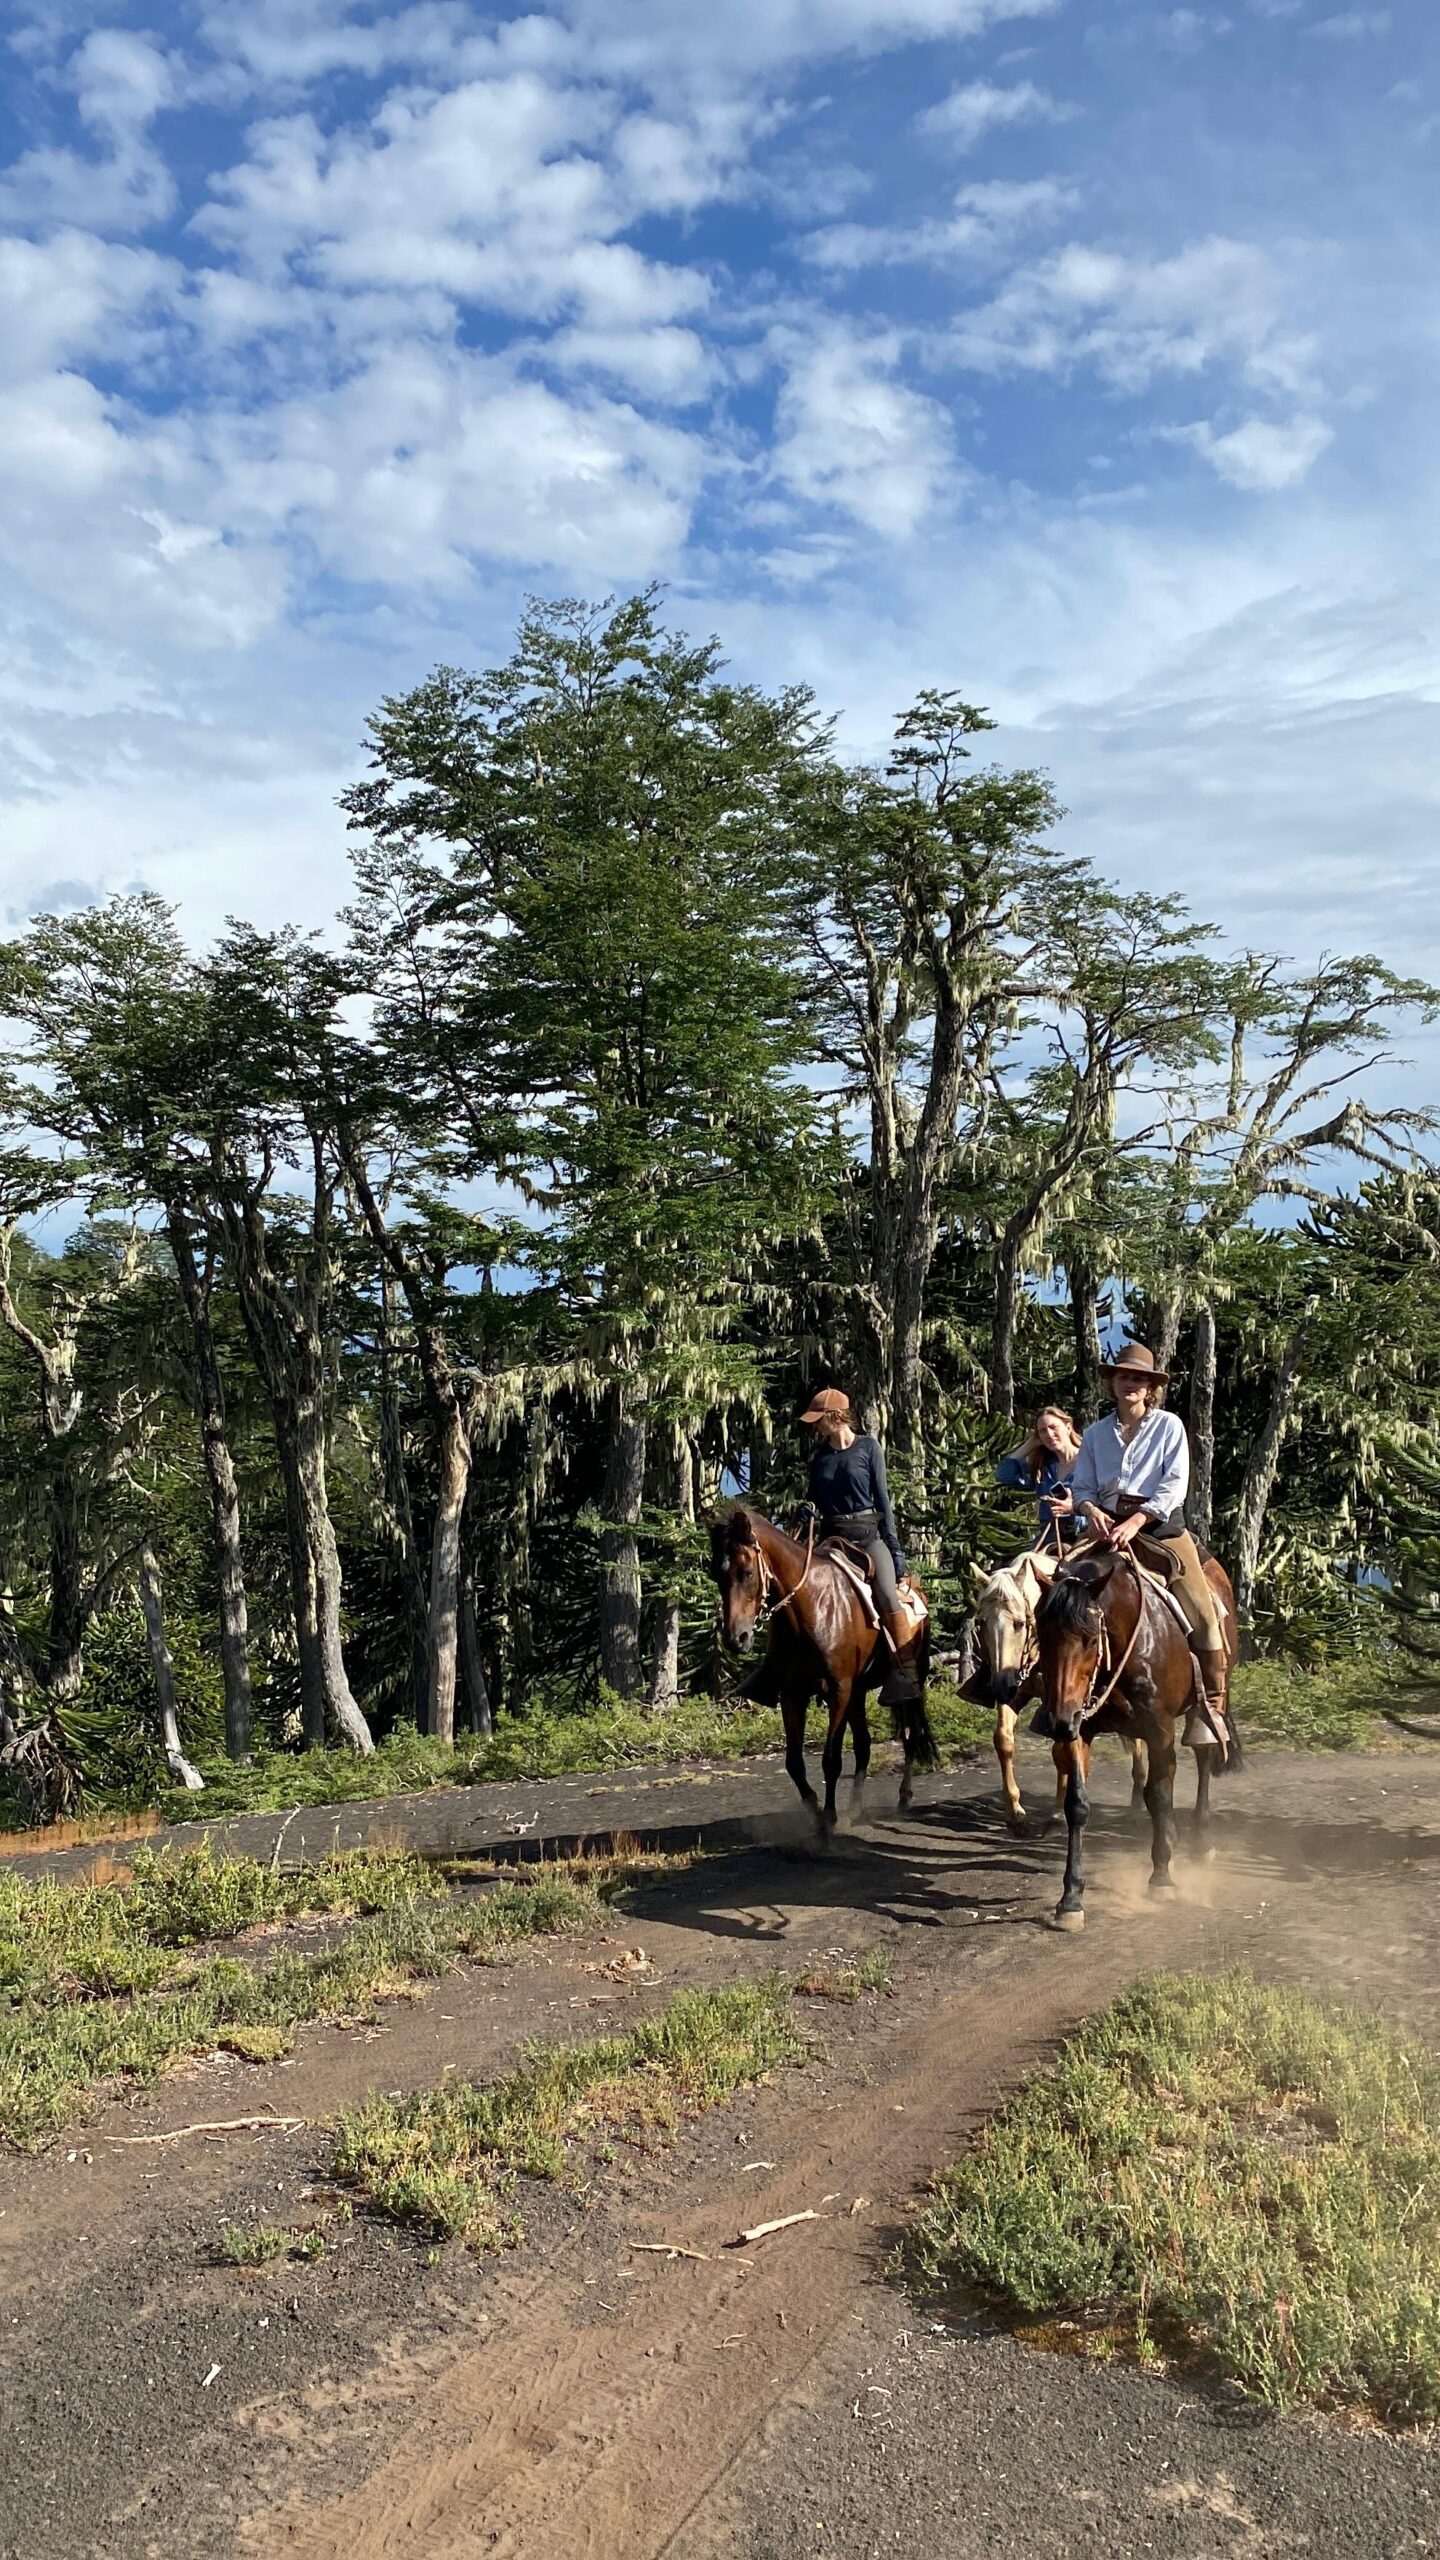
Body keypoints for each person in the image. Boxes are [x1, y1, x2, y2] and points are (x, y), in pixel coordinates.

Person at [1047, 1342, 1229, 1718]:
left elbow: (1174, 1485)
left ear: (1150, 1388)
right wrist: (1090, 1509)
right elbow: (1083, 1486)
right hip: (1105, 1527)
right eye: (1124, 1376)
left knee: (1204, 1612)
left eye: (1139, 1379)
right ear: (1113, 1383)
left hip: (1160, 1530)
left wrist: (1137, 1520)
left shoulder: (1169, 1426)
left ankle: (1212, 1705)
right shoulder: (1096, 1434)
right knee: (1055, 1592)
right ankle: (1044, 1689)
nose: (1130, 1384)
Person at [799, 1387, 920, 1703]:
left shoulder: (868, 1448)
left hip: (868, 1535)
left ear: (834, 1416)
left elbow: (883, 1500)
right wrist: (807, 1507)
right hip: (832, 1538)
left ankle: (905, 1672)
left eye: (819, 1419)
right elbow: (813, 1495)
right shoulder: (818, 1456)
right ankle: (789, 1670)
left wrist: (895, 1552)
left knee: (886, 1593)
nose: (815, 1426)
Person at [995, 1406, 1082, 1541]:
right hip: (1049, 1538)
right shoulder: (1043, 1467)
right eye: (1043, 1431)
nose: (1049, 1434)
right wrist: (1031, 1443)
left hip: (1085, 1536)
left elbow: (1107, 1504)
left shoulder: (1092, 1461)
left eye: (1053, 1427)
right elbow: (1003, 1475)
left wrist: (1073, 1509)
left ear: (1068, 1427)